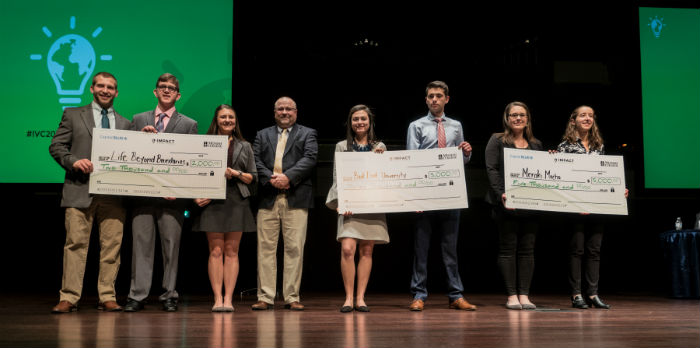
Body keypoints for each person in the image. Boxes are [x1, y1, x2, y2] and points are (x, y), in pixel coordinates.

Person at [49, 72, 131, 313]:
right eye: (101, 86)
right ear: (92, 89)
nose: (106, 90)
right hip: (79, 188)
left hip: (113, 194)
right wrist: (73, 161)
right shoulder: (73, 114)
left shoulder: (126, 124)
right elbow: (56, 146)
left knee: (112, 248)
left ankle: (107, 295)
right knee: (75, 245)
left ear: (116, 92)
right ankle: (69, 297)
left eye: (111, 87)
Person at [124, 73, 198, 312]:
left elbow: (190, 163)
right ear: (155, 92)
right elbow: (128, 157)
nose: (167, 90)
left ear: (178, 95)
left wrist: (178, 190)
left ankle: (169, 295)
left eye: (172, 88)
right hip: (143, 197)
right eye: (162, 87)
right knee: (141, 247)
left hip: (172, 199)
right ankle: (137, 295)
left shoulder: (188, 124)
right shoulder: (137, 120)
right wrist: (139, 140)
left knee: (171, 247)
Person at [406, 81, 475, 311]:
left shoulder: (456, 125)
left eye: (439, 96)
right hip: (425, 194)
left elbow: (460, 161)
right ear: (426, 100)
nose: (435, 99)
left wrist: (466, 154)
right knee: (421, 248)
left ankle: (456, 295)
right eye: (431, 96)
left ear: (447, 98)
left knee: (450, 248)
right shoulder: (416, 126)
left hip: (449, 193)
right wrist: (414, 197)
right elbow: (411, 162)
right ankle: (418, 295)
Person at [557, 105, 626, 310]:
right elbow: (561, 178)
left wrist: (618, 189)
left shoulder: (598, 145)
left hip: (596, 206)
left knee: (594, 250)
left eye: (591, 116)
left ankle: (593, 294)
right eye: (583, 115)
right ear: (573, 121)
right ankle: (577, 294)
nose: (587, 118)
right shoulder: (565, 146)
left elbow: (603, 177)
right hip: (575, 207)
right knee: (577, 249)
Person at [252, 96, 318, 311]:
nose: (284, 112)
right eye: (280, 109)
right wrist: (272, 179)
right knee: (266, 249)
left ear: (296, 112)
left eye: (289, 109)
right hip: (268, 196)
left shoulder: (307, 133)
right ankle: (266, 297)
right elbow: (255, 159)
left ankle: (292, 296)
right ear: (274, 113)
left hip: (296, 196)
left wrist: (287, 177)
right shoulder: (262, 135)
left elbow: (309, 158)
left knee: (294, 249)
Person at [192, 105, 257, 312]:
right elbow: (194, 172)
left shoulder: (245, 146)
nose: (227, 120)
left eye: (231, 117)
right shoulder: (205, 143)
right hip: (212, 201)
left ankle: (229, 299)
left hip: (236, 199)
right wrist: (196, 196)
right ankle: (217, 298)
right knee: (215, 250)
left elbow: (252, 177)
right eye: (223, 117)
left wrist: (236, 173)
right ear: (216, 120)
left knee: (231, 250)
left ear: (235, 121)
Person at [326, 105, 389, 313]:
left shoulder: (379, 146)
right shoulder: (341, 146)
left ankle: (360, 298)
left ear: (369, 122)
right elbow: (338, 177)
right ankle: (348, 298)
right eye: (355, 119)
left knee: (367, 250)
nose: (359, 122)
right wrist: (341, 203)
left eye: (363, 119)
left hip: (371, 205)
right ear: (350, 123)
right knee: (347, 249)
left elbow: (384, 178)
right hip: (349, 207)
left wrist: (381, 159)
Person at [484, 101, 543, 310]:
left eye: (522, 115)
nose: (518, 118)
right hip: (505, 205)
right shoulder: (497, 140)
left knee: (528, 250)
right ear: (507, 118)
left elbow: (542, 173)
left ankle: (524, 295)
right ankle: (511, 295)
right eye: (514, 115)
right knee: (508, 249)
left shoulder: (536, 144)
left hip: (530, 205)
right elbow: (491, 169)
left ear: (527, 119)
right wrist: (501, 194)